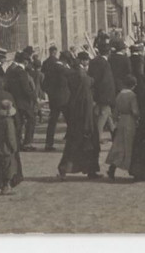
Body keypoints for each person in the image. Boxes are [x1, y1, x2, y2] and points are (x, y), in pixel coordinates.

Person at [57, 52, 101, 180]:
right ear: (83, 61)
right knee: (90, 144)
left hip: (76, 114)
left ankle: (65, 169)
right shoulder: (82, 77)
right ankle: (90, 170)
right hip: (85, 116)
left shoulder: (73, 73)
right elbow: (87, 98)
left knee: (73, 144)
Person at [106, 76, 138, 180]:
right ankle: (132, 169)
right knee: (130, 145)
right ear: (133, 85)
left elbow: (115, 112)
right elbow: (135, 111)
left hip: (121, 121)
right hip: (130, 121)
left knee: (119, 145)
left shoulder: (119, 95)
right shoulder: (132, 95)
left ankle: (112, 167)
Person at [6, 52, 37, 151]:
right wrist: (34, 97)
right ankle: (27, 143)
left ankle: (17, 142)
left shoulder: (11, 71)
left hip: (14, 100)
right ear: (25, 62)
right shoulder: (22, 72)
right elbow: (26, 89)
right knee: (31, 120)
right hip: (23, 102)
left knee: (18, 122)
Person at [43, 48, 71, 152]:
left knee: (52, 122)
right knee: (70, 121)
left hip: (54, 99)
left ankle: (48, 144)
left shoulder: (51, 68)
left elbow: (44, 84)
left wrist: (51, 94)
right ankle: (71, 143)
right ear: (66, 60)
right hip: (65, 100)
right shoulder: (64, 69)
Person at [88, 43, 116, 141]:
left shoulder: (93, 61)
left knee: (107, 115)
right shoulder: (105, 64)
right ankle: (97, 137)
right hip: (105, 94)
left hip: (96, 92)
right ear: (109, 52)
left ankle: (114, 134)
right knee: (104, 115)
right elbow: (107, 82)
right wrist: (109, 97)